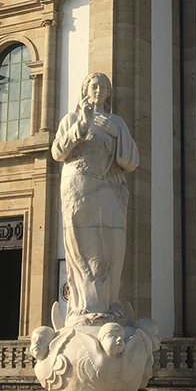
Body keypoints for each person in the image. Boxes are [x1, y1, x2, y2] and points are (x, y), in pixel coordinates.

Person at [51, 73, 139, 323]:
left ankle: (109, 303)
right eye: (94, 86)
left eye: (104, 87)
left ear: (109, 93)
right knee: (80, 247)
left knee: (113, 245)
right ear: (85, 90)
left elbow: (131, 161)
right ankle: (84, 305)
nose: (99, 90)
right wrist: (80, 126)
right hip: (78, 188)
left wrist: (117, 134)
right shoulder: (71, 119)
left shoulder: (117, 122)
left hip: (108, 188)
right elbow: (57, 151)